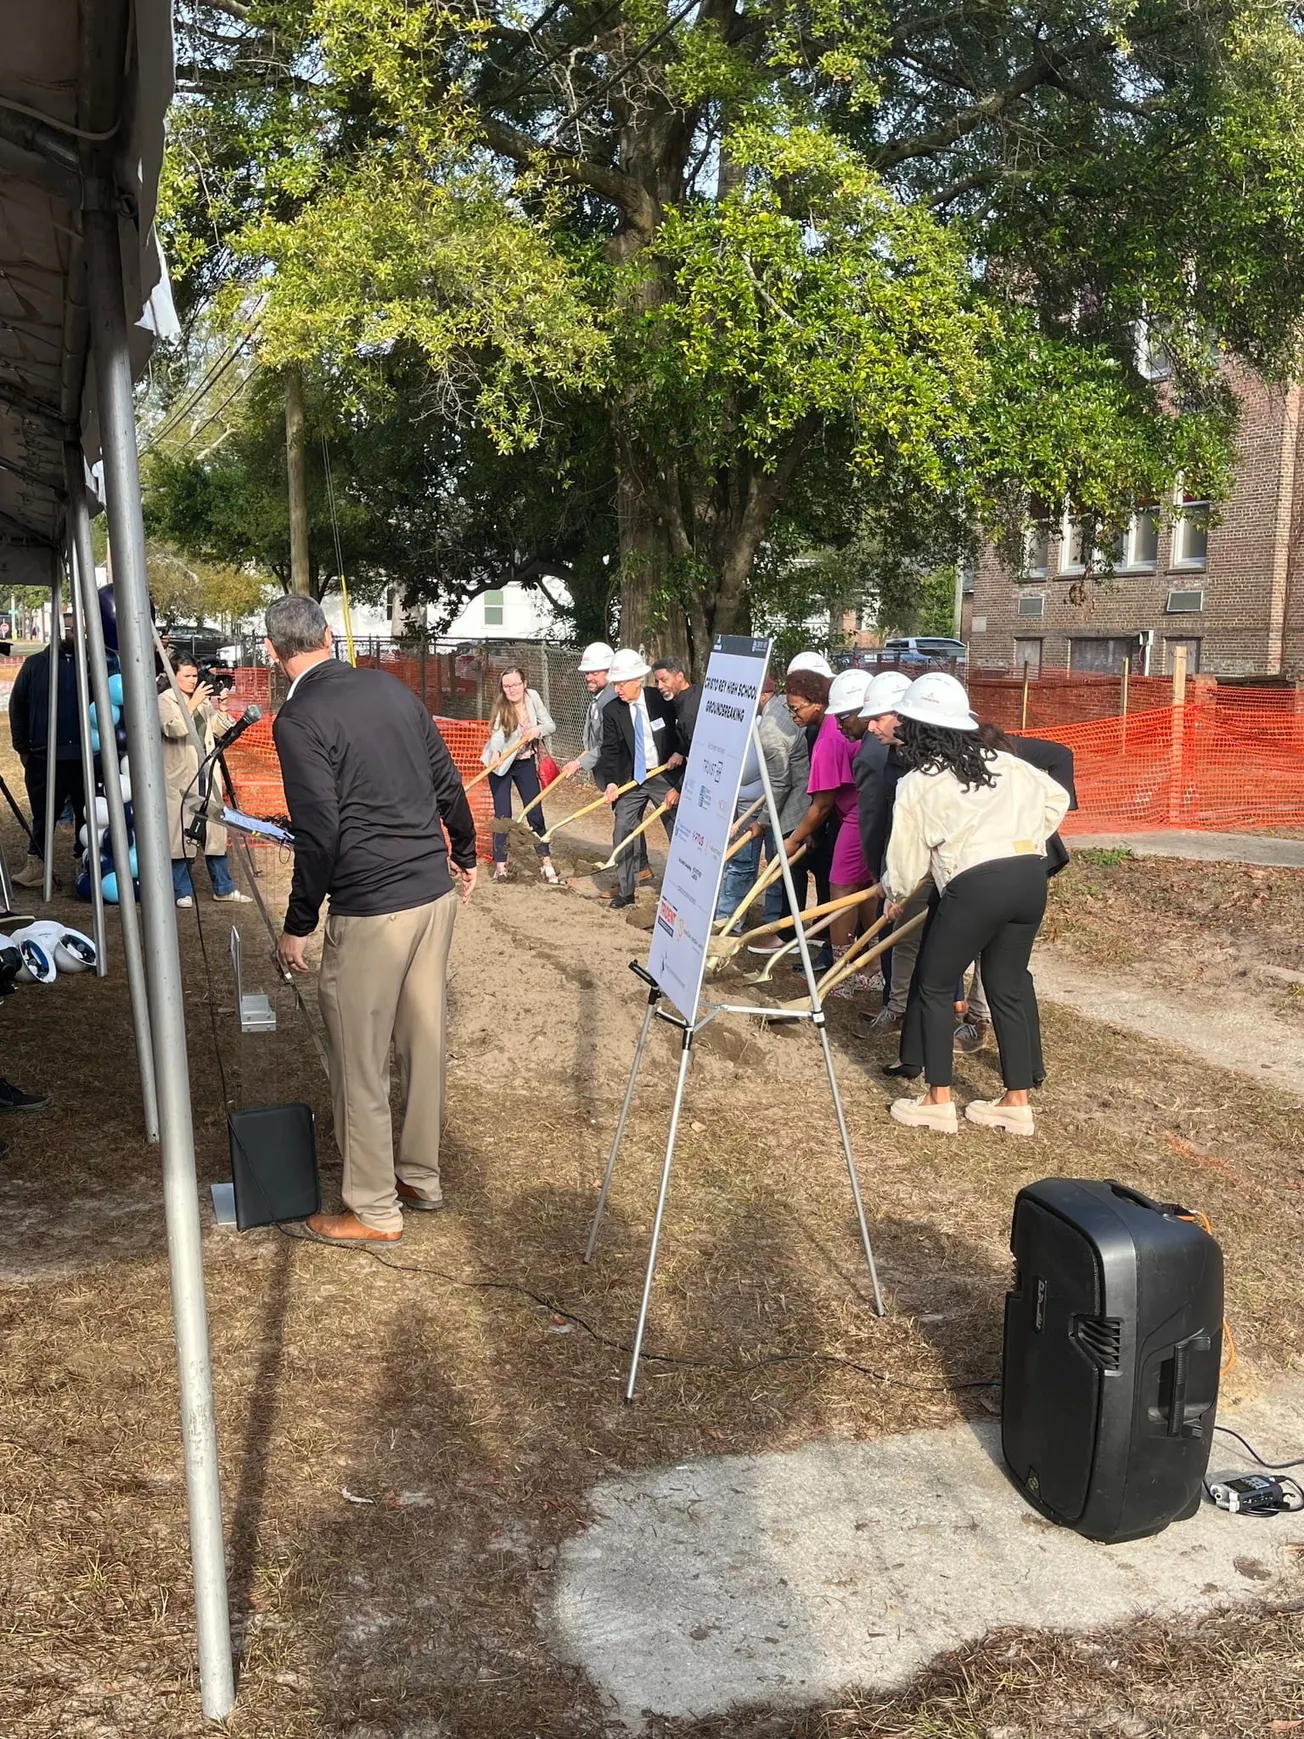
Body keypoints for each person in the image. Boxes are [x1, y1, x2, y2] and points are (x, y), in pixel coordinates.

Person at [266, 594, 478, 1244]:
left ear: (273, 653)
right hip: (432, 895)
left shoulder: (297, 718)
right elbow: (447, 779)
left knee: (360, 1061)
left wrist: (298, 921)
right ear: (329, 637)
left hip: (373, 908)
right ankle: (419, 1176)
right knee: (422, 1042)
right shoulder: (390, 689)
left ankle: (374, 1207)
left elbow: (319, 831)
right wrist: (466, 850)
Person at [882, 673, 1069, 1137]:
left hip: (976, 885)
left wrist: (896, 893)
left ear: (919, 730)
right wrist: (1022, 839)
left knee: (934, 984)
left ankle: (937, 1101)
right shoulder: (1006, 762)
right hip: (1029, 877)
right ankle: (1016, 1103)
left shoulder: (918, 782)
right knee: (1007, 986)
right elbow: (1057, 797)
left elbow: (905, 862)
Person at [781, 670, 866, 987]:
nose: (793, 715)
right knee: (859, 887)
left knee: (841, 886)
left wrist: (794, 839)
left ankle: (841, 967)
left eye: (796, 708)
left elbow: (822, 804)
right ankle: (862, 959)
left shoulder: (829, 739)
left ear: (817, 703)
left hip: (857, 815)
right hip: (855, 813)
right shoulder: (828, 729)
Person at [160, 656, 254, 909]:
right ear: (173, 676)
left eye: (194, 675)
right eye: (187, 676)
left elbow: (216, 732)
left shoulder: (202, 701)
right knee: (179, 834)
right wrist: (192, 704)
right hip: (181, 776)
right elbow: (173, 729)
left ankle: (224, 888)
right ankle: (182, 890)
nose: (193, 680)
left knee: (215, 833)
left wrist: (222, 708)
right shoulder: (165, 700)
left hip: (206, 772)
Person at [596, 647, 682, 909]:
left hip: (663, 774)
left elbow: (682, 728)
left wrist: (680, 752)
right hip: (633, 779)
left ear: (637, 680)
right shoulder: (612, 710)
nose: (617, 689)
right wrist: (612, 782)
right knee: (623, 828)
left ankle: (682, 890)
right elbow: (611, 751)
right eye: (614, 684)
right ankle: (626, 891)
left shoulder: (659, 700)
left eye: (621, 684)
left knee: (678, 829)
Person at [9, 610, 86, 889]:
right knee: (43, 815)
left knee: (86, 814)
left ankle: (84, 862)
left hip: (84, 757)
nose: (73, 634)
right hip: (44, 756)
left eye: (77, 629)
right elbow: (17, 705)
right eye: (68, 629)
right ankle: (37, 864)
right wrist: (23, 748)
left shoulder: (91, 666)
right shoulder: (35, 665)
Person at [481, 666, 559, 883]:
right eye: (507, 686)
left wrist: (537, 730)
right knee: (503, 816)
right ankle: (501, 866)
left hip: (525, 762)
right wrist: (496, 752)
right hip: (500, 765)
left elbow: (550, 725)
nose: (512, 690)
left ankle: (545, 862)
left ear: (524, 684)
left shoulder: (532, 698)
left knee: (535, 811)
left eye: (516, 684)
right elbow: (497, 734)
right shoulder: (502, 705)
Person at [651, 655, 702, 749]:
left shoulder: (686, 714)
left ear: (680, 676)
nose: (659, 686)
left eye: (664, 680)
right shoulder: (698, 691)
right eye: (657, 682)